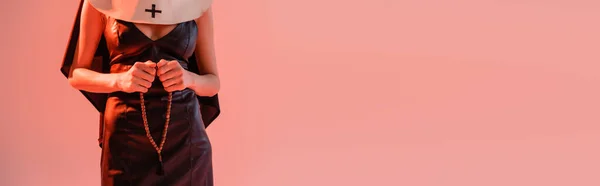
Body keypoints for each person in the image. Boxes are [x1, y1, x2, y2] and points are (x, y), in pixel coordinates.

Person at [59, 0, 221, 185]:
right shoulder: (100, 2)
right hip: (126, 133)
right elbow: (76, 74)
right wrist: (120, 80)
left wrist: (189, 79)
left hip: (186, 137)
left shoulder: (197, 4)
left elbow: (213, 83)